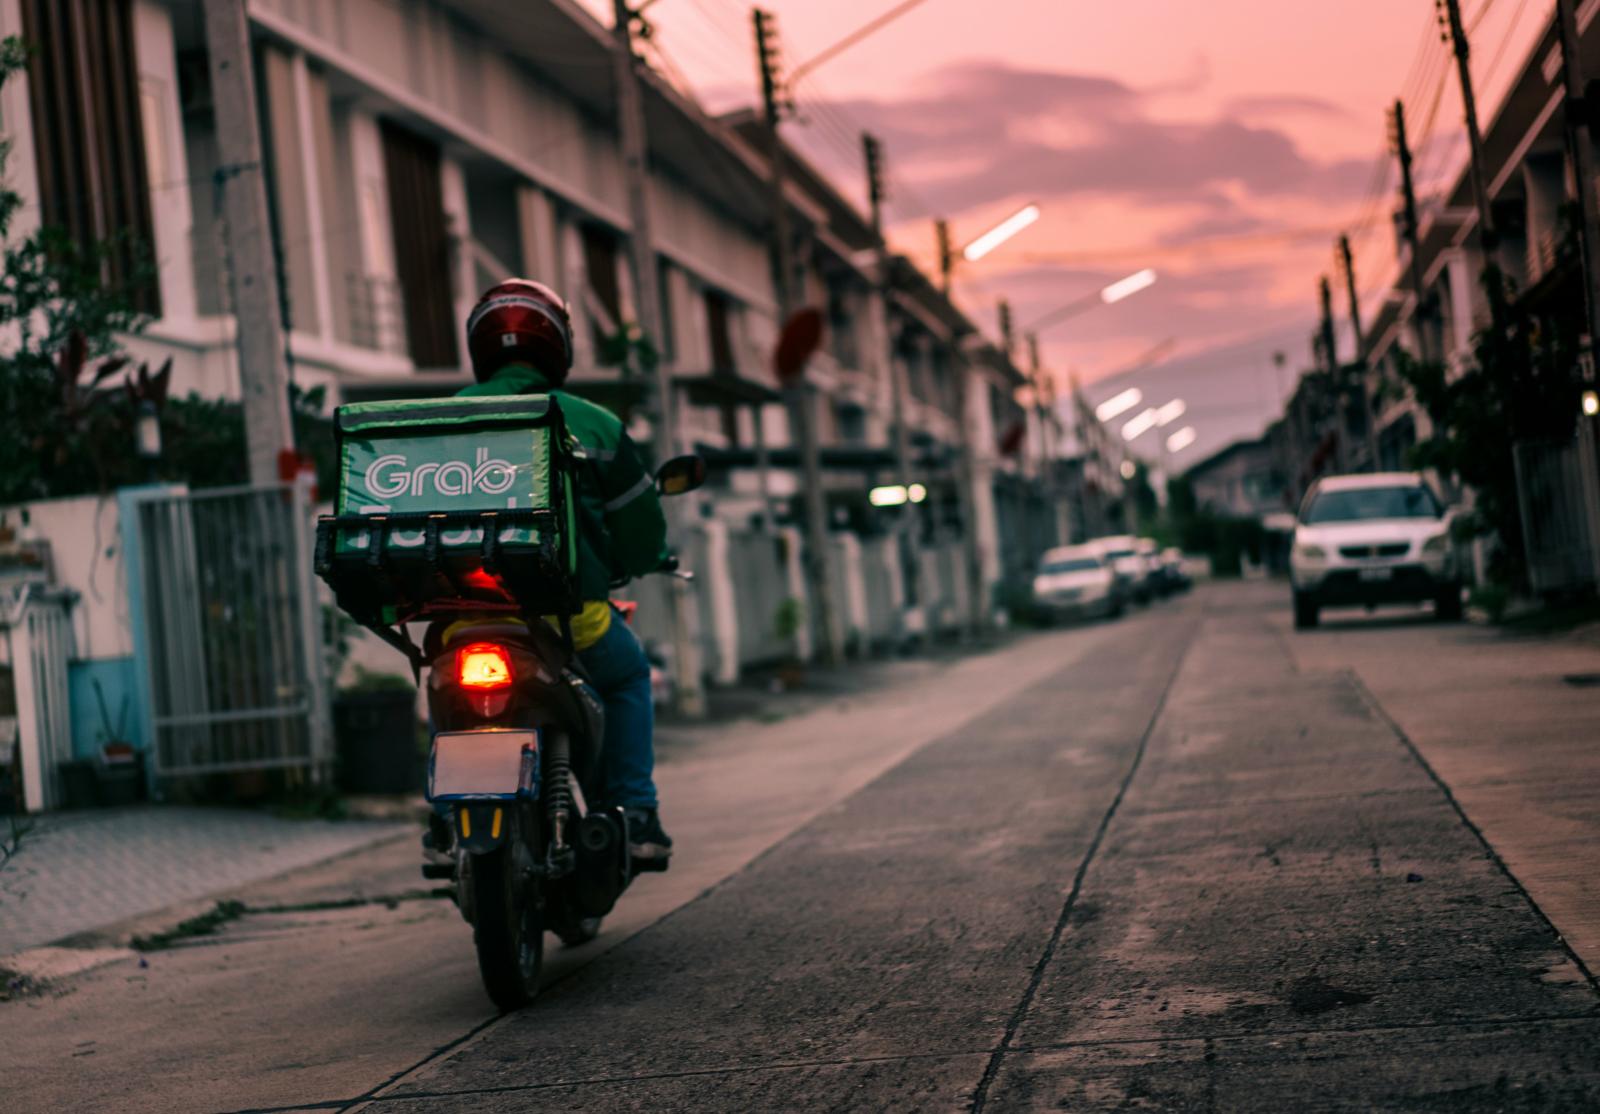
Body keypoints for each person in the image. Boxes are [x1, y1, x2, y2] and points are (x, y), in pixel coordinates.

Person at [449, 278, 672, 863]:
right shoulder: (592, 423)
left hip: (462, 619)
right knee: (626, 677)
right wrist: (647, 560)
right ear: (557, 347)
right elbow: (641, 529)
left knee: (446, 685)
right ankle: (636, 812)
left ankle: (445, 822)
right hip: (570, 622)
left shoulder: (437, 421)